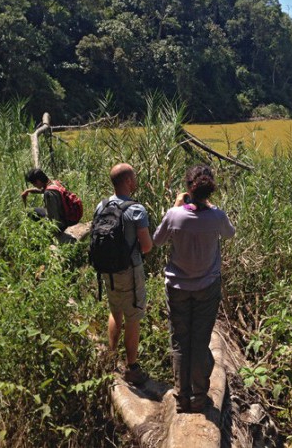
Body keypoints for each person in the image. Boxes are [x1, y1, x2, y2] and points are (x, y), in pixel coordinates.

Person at [153, 165, 235, 413]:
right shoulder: (217, 216)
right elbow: (230, 234)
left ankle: (182, 398)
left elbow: (157, 240)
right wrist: (211, 209)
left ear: (189, 188)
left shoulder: (175, 215)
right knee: (200, 342)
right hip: (207, 287)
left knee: (180, 341)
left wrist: (177, 207)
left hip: (177, 287)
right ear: (208, 189)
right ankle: (199, 397)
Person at [95, 163, 153, 385]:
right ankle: (132, 368)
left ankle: (110, 358)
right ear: (128, 181)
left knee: (115, 311)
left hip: (107, 272)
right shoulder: (136, 209)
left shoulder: (101, 206)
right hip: (130, 272)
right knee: (133, 319)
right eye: (134, 177)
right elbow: (146, 246)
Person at [22, 168, 68, 232]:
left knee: (30, 212)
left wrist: (49, 226)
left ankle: (50, 234)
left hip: (61, 224)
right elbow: (42, 190)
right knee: (39, 210)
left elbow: (53, 217)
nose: (34, 185)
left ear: (38, 181)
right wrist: (28, 190)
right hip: (66, 215)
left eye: (33, 183)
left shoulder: (48, 193)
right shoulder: (54, 183)